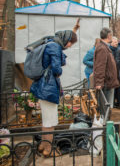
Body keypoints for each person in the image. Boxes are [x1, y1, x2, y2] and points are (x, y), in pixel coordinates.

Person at [30, 19, 80, 157]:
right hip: (48, 88)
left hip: (43, 86)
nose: (69, 46)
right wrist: (59, 71)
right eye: (71, 42)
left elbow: (63, 44)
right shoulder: (55, 47)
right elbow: (57, 69)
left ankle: (42, 145)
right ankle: (48, 149)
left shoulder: (52, 42)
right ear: (66, 40)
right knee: (50, 120)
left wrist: (74, 31)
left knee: (47, 118)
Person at [94, 28, 119, 108]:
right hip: (105, 84)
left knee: (107, 107)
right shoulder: (102, 48)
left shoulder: (104, 47)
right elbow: (100, 67)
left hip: (108, 82)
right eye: (111, 35)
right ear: (109, 36)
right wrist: (99, 83)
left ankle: (106, 119)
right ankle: (105, 120)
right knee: (105, 108)